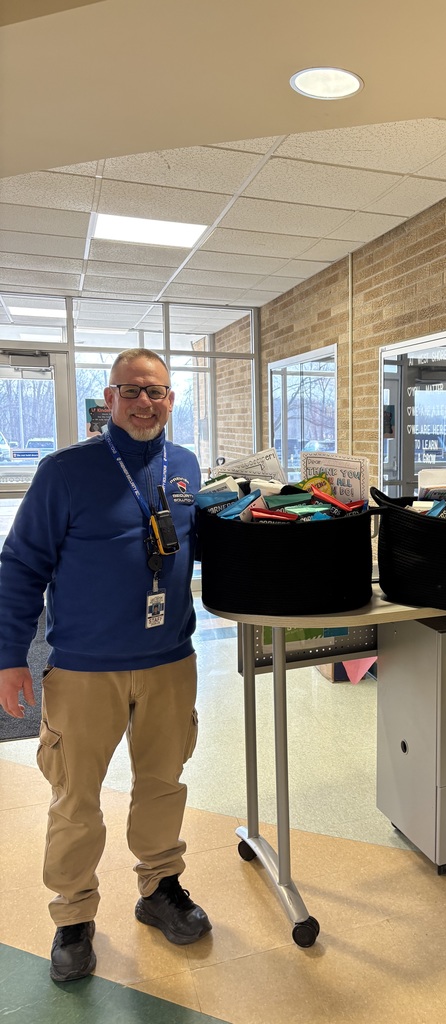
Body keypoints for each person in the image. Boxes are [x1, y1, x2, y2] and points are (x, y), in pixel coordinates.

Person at [0, 349, 210, 983]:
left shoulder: (186, 467)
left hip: (170, 663)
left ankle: (160, 888)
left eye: (160, 393)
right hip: (86, 669)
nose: (147, 403)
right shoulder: (65, 472)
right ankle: (73, 917)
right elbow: (20, 566)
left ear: (173, 400)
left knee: (164, 782)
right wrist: (11, 659)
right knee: (75, 798)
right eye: (134, 392)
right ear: (110, 400)